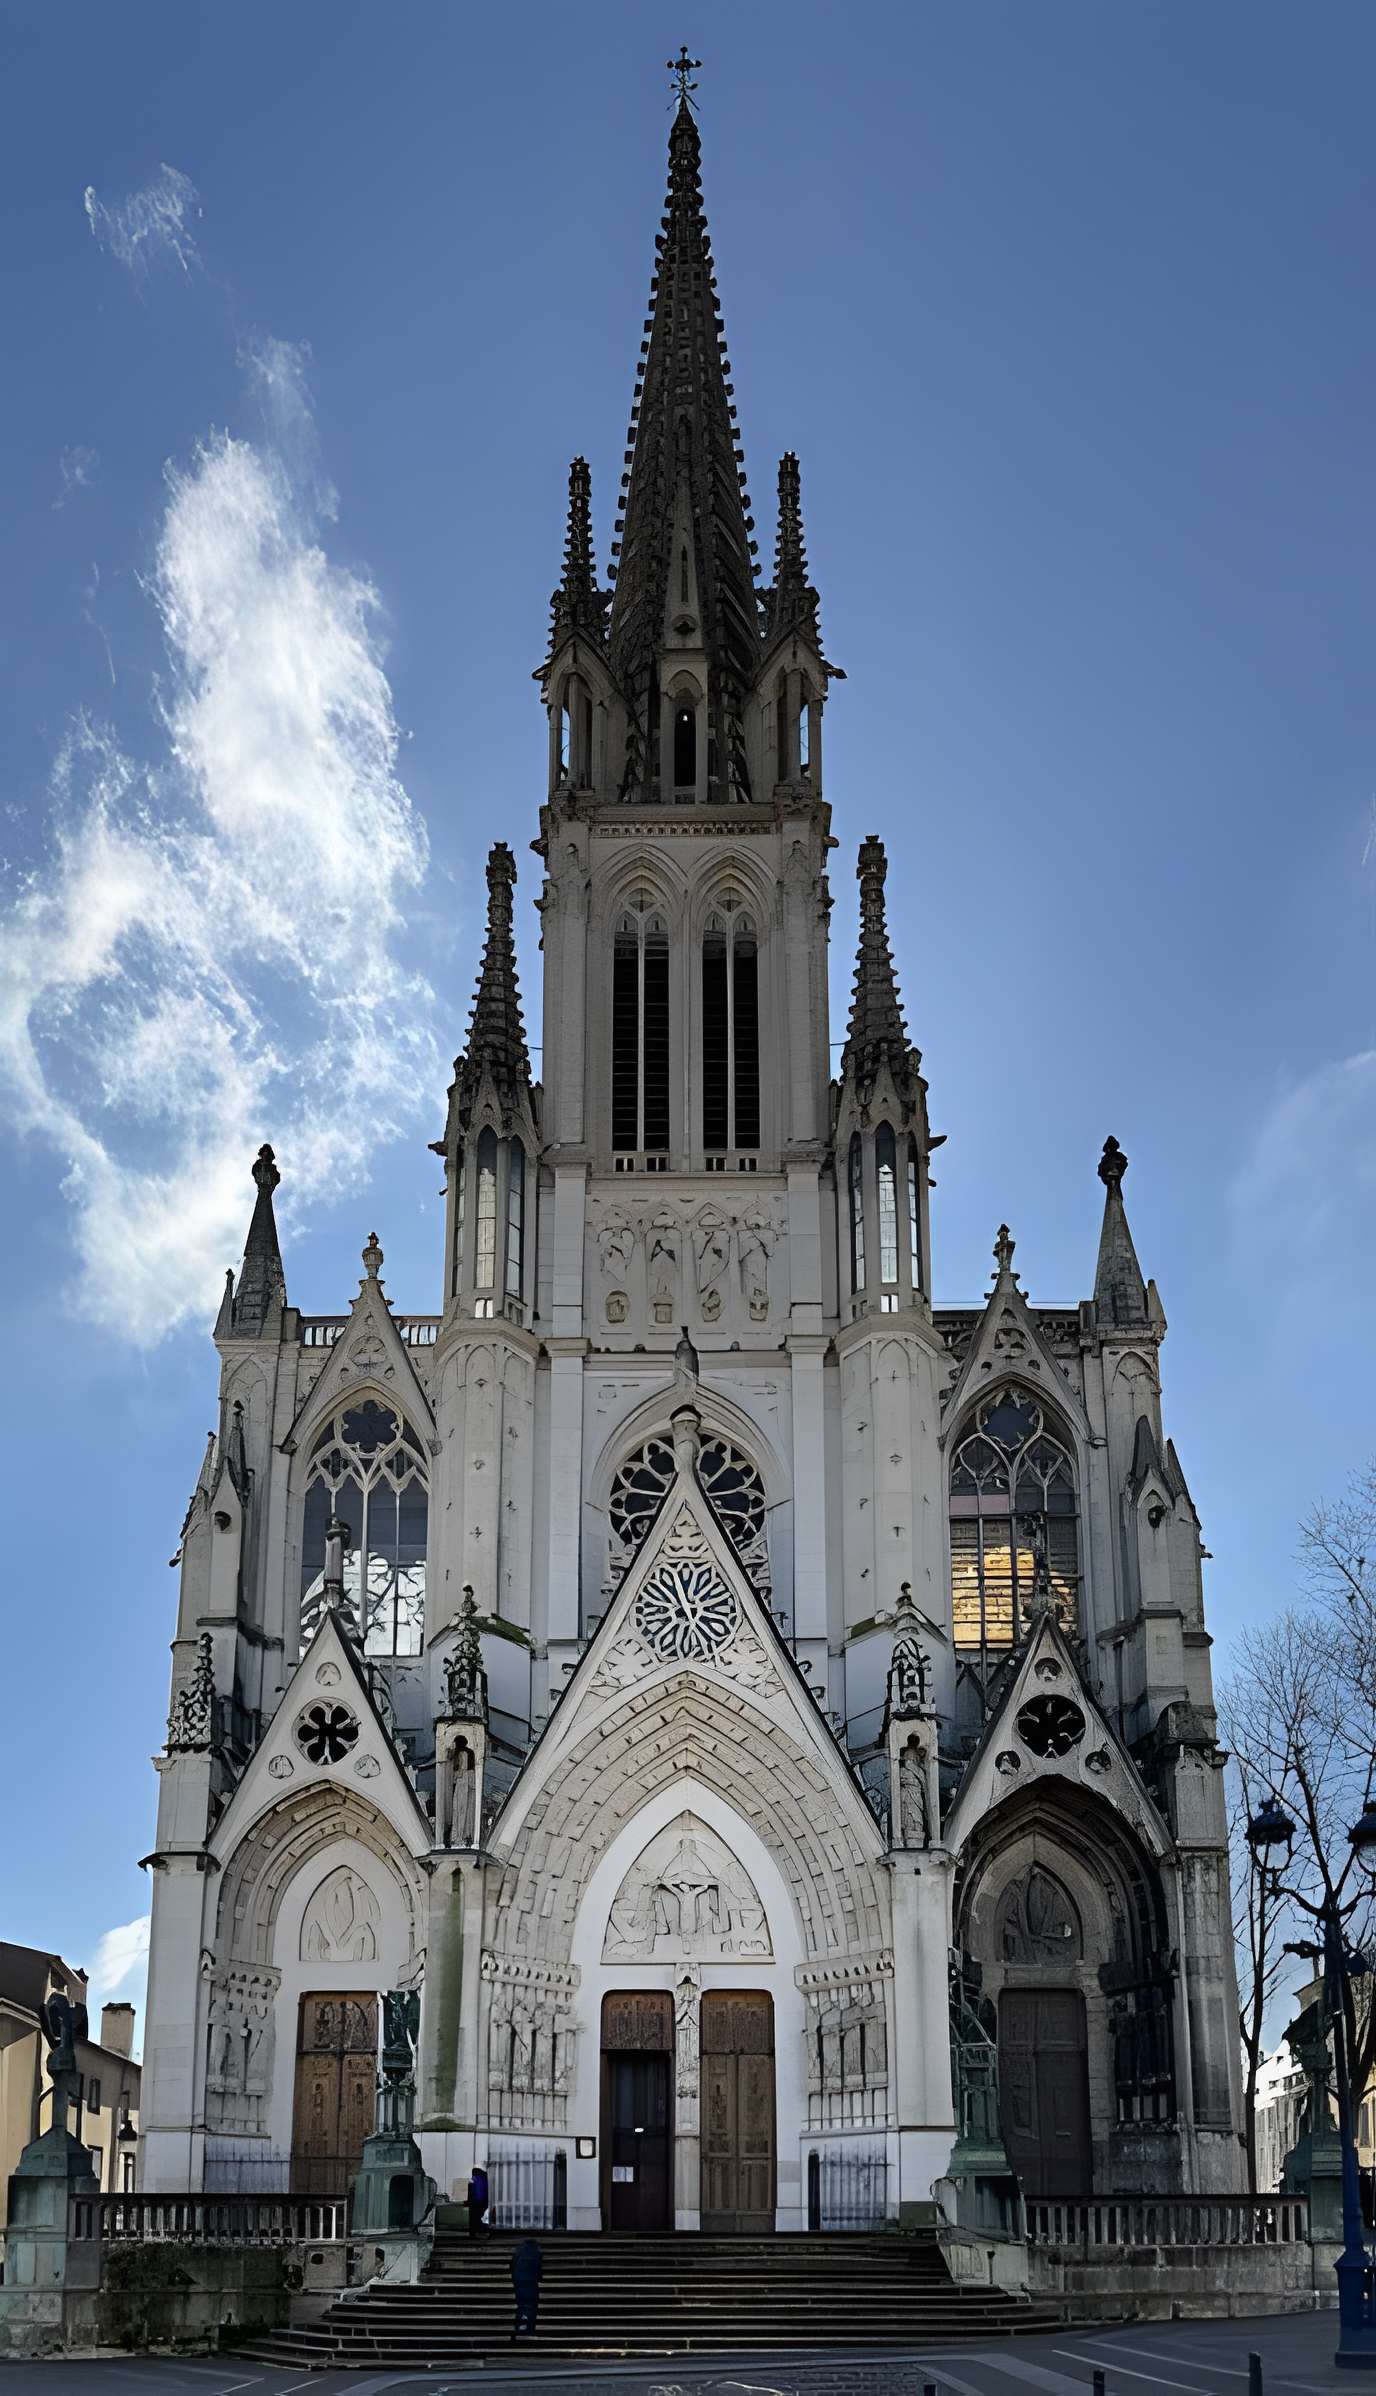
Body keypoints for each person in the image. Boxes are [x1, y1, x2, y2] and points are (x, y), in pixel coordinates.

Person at [509, 2236, 543, 2339]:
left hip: (519, 2283)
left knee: (522, 2305)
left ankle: (520, 2326)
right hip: (531, 2283)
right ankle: (529, 2328)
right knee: (531, 2306)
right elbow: (538, 2269)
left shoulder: (518, 2252)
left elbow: (512, 2266)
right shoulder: (536, 2253)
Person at [466, 2164, 489, 2237]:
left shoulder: (473, 2179)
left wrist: (468, 2202)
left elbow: (471, 2191)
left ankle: (474, 2232)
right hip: (483, 2201)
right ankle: (482, 2231)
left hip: (475, 2202)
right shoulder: (485, 2178)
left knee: (474, 2218)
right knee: (482, 2218)